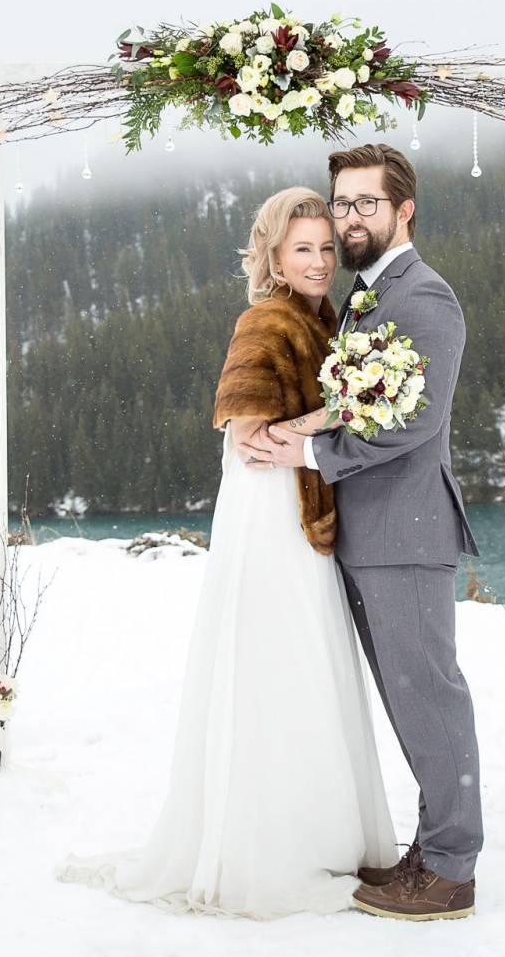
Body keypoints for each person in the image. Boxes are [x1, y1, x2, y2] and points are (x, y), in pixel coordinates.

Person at [56, 186, 396, 918]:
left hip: (301, 500)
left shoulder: (325, 316)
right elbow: (247, 436)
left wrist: (324, 422)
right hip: (269, 511)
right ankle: (267, 851)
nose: (317, 260)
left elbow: (294, 432)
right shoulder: (264, 320)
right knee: (275, 660)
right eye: (302, 248)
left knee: (308, 661)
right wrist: (337, 410)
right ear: (273, 256)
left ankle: (318, 836)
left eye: (326, 248)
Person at [238, 143, 483, 921]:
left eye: (364, 204)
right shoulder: (368, 295)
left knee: (430, 699)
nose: (348, 219)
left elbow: (413, 418)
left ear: (403, 210)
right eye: (341, 204)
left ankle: (450, 868)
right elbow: (354, 399)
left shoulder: (424, 297)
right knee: (405, 702)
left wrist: (306, 449)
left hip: (406, 534)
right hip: (368, 535)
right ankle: (430, 849)